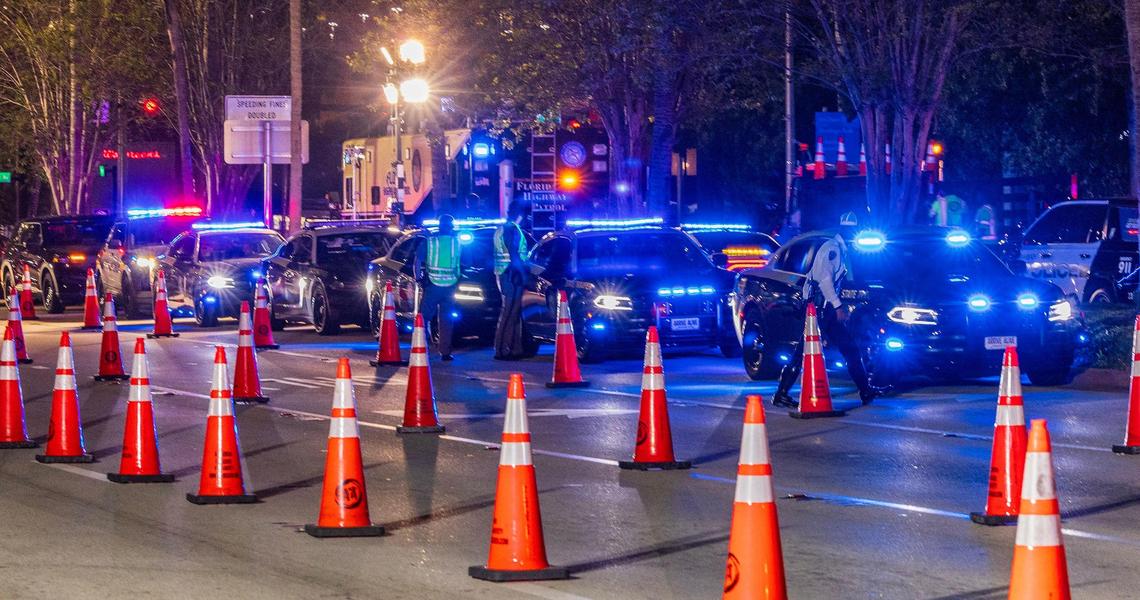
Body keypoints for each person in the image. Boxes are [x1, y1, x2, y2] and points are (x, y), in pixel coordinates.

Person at [771, 217, 889, 408]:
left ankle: (865, 391)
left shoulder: (838, 249)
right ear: (847, 232)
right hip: (820, 310)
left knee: (850, 349)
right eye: (854, 231)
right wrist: (837, 305)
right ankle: (781, 394)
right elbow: (824, 280)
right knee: (803, 352)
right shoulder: (832, 249)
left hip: (824, 310)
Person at [416, 214, 460, 361]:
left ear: (439, 226)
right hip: (450, 286)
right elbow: (464, 262)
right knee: (447, 320)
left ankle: (421, 345)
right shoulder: (456, 242)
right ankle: (445, 352)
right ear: (451, 227)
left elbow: (417, 260)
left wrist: (418, 278)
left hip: (433, 285)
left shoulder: (430, 242)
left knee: (424, 317)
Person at [493, 200, 531, 360]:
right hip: (511, 274)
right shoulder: (511, 229)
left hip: (506, 273)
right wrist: (522, 273)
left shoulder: (504, 228)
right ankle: (502, 349)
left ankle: (514, 348)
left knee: (513, 312)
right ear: (520, 215)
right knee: (509, 312)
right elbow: (514, 253)